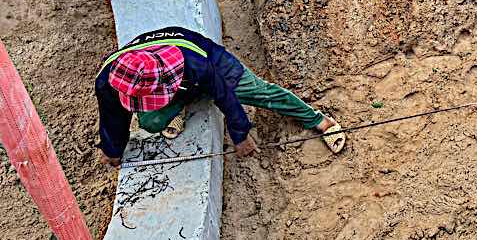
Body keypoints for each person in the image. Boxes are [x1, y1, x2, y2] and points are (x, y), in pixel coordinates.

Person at [95, 26, 345, 167]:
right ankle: (182, 101)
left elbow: (223, 94)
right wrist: (112, 148)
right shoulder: (110, 80)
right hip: (175, 81)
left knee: (257, 91)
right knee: (150, 122)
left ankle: (319, 121)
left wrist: (240, 134)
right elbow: (112, 117)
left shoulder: (196, 64)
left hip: (210, 62)